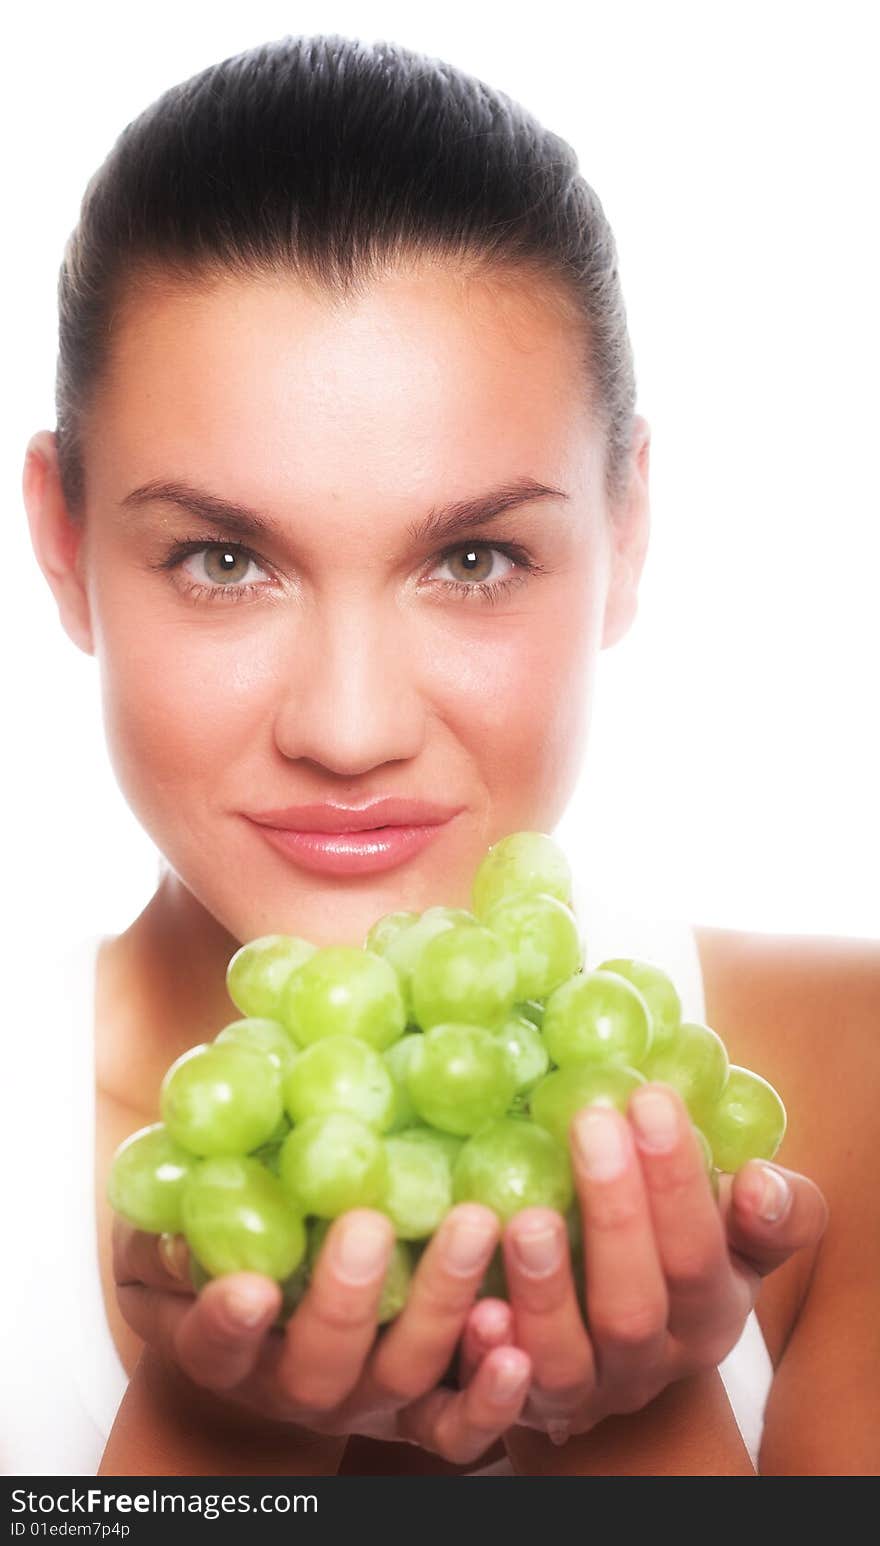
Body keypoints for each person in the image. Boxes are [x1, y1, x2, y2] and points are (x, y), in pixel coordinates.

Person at [17, 33, 876, 1477]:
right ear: (64, 543)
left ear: (627, 532)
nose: (349, 730)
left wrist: (632, 1401)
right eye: (225, 558)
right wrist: (212, 1420)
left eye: (474, 556)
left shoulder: (858, 1089)